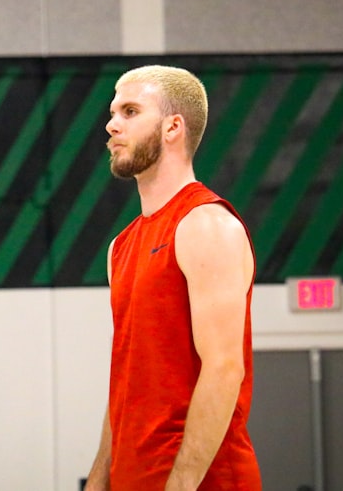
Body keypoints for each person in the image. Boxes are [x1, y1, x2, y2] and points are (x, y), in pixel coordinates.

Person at [85, 65, 261, 491]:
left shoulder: (206, 225)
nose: (111, 125)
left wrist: (179, 486)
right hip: (133, 477)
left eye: (129, 111)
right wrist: (98, 479)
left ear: (172, 127)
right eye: (112, 113)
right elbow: (126, 381)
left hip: (203, 481)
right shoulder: (121, 246)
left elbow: (224, 369)